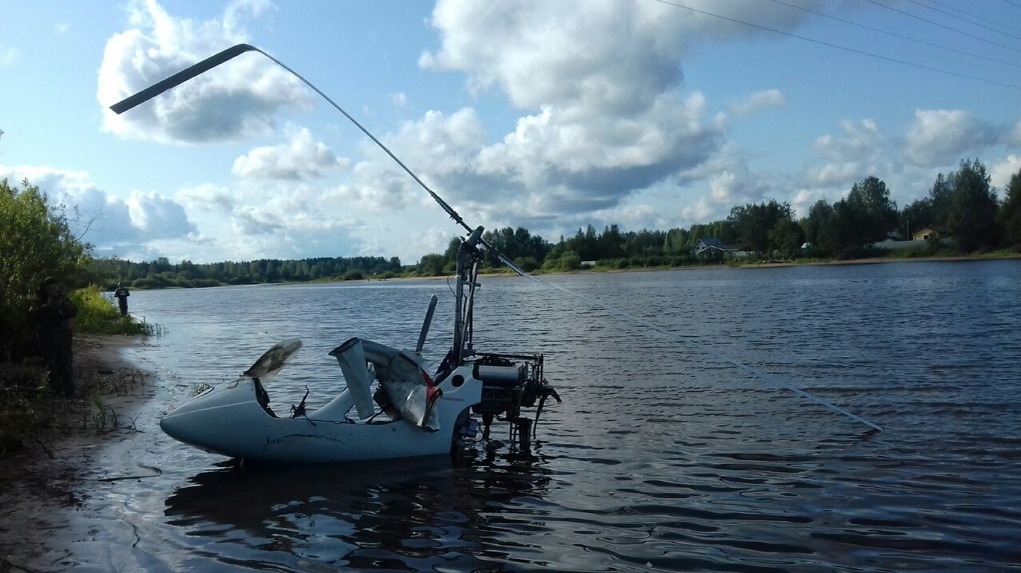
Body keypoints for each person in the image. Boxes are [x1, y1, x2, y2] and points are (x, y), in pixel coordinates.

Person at [33, 277, 79, 397]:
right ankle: (56, 390)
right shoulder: (39, 299)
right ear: (45, 289)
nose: (53, 290)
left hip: (63, 337)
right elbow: (33, 314)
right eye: (50, 288)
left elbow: (74, 310)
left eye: (54, 287)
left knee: (66, 363)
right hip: (47, 337)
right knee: (52, 365)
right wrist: (47, 306)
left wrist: (62, 305)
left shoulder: (62, 298)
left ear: (58, 287)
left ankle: (69, 391)